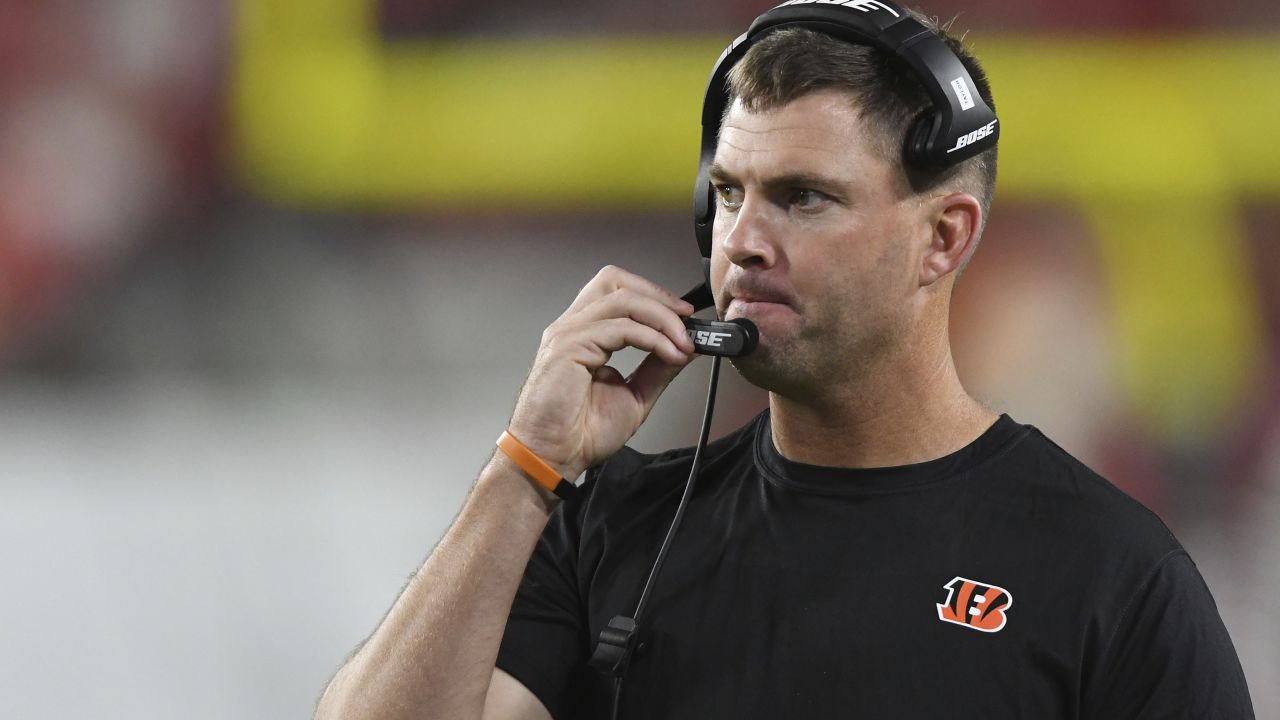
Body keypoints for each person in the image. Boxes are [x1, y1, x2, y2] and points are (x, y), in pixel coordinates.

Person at [313, 5, 1255, 719]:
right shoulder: (609, 527)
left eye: (802, 198)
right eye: (727, 193)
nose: (744, 242)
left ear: (944, 240)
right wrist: (524, 466)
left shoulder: (1109, 579)